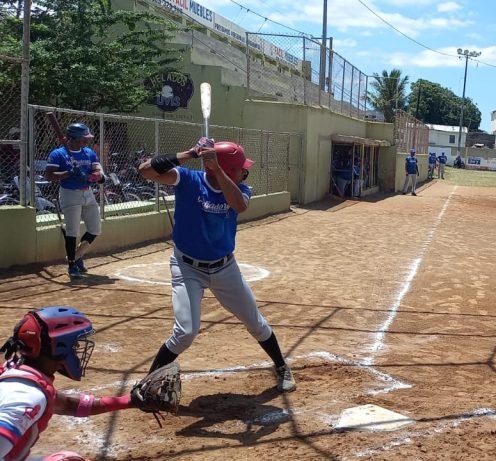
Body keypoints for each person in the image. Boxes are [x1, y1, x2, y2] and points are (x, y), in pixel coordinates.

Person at [138, 137, 296, 392]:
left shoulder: (242, 189)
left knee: (255, 322)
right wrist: (190, 153)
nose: (245, 171)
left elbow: (239, 206)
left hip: (224, 268)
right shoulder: (188, 179)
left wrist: (218, 170)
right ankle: (147, 385)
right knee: (185, 332)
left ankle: (281, 366)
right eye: (240, 167)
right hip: (187, 267)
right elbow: (145, 171)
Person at [0, 306, 146, 461]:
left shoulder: (17, 373)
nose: (76, 351)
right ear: (59, 347)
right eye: (74, 346)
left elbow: (68, 404)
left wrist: (130, 401)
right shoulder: (26, 395)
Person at [43, 124, 104, 279]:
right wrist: (68, 173)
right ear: (76, 138)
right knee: (72, 231)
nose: (86, 142)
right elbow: (49, 176)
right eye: (84, 139)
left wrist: (96, 175)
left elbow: (97, 169)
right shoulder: (58, 154)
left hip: (87, 192)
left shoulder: (88, 152)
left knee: (95, 229)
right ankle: (72, 266)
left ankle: (77, 256)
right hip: (69, 193)